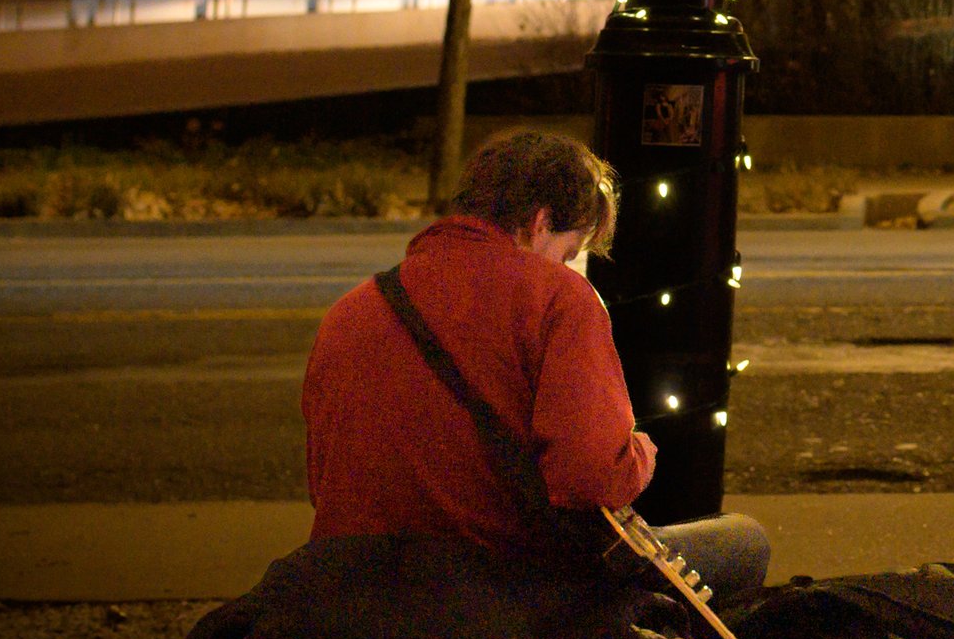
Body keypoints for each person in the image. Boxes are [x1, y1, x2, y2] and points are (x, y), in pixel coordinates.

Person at [301, 127, 769, 602]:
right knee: (744, 542)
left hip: (349, 590)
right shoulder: (556, 298)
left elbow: (323, 481)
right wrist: (641, 452)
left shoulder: (353, 308)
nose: (565, 268)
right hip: (490, 597)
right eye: (568, 252)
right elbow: (591, 478)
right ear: (540, 221)